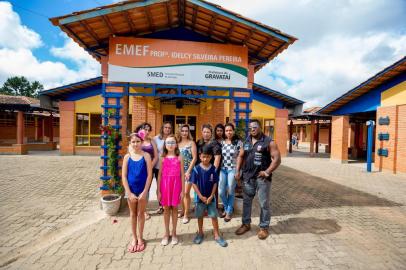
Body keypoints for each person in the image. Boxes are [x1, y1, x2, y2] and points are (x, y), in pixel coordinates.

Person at [235, 119, 281, 240]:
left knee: (264, 203)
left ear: (260, 127)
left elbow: (277, 159)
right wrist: (237, 171)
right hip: (248, 177)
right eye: (250, 128)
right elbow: (240, 156)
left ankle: (264, 227)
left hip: (262, 179)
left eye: (255, 127)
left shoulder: (269, 142)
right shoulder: (246, 141)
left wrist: (267, 172)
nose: (252, 129)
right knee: (246, 202)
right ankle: (246, 224)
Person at [190, 144, 228, 247]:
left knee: (213, 216)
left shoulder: (213, 169)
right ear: (199, 156)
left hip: (211, 199)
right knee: (200, 216)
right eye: (203, 156)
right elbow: (194, 183)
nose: (205, 158)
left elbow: (215, 183)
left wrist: (212, 196)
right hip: (200, 198)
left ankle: (217, 235)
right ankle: (200, 233)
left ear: (211, 157)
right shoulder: (196, 169)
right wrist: (200, 196)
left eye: (207, 156)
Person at [122, 130, 153, 253]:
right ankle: (134, 238)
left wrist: (145, 191)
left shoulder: (146, 156)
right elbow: (124, 176)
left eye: (138, 141)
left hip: (142, 190)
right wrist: (129, 193)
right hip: (131, 190)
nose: (135, 144)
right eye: (133, 142)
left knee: (141, 214)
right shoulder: (127, 157)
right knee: (133, 214)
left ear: (142, 142)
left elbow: (150, 175)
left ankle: (140, 237)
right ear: (130, 143)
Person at [157, 135, 185, 246]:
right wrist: (158, 191)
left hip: (176, 185)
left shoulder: (180, 157)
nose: (170, 145)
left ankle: (174, 233)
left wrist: (182, 190)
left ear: (176, 144)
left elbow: (182, 174)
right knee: (166, 209)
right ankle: (166, 233)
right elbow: (159, 175)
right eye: (168, 142)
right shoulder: (162, 158)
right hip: (165, 186)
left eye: (173, 142)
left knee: (175, 208)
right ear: (165, 145)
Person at [219, 123, 243, 222]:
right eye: (227, 130)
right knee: (221, 191)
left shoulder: (238, 142)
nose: (228, 132)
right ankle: (226, 207)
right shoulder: (222, 142)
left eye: (230, 130)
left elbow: (240, 157)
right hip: (223, 169)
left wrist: (237, 170)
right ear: (225, 132)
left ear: (233, 131)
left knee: (230, 189)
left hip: (233, 168)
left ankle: (228, 212)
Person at [135, 123, 158, 220]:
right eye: (145, 129)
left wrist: (150, 167)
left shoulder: (151, 141)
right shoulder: (136, 140)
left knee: (147, 189)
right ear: (140, 129)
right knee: (138, 188)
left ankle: (144, 210)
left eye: (149, 130)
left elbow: (156, 156)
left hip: (149, 169)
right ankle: (138, 209)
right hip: (138, 169)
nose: (147, 131)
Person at [176, 124, 197, 224]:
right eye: (183, 131)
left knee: (186, 193)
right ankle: (182, 210)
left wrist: (188, 171)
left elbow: (194, 158)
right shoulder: (177, 143)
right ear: (180, 132)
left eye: (186, 131)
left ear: (188, 132)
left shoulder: (191, 143)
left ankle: (186, 214)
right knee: (180, 193)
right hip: (178, 171)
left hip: (189, 171)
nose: (184, 133)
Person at [153, 121, 173, 214]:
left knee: (168, 186)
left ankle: (169, 204)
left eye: (169, 128)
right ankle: (161, 205)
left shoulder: (172, 138)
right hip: (158, 166)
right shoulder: (156, 139)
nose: (167, 129)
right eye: (166, 127)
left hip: (169, 167)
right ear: (162, 128)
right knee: (160, 186)